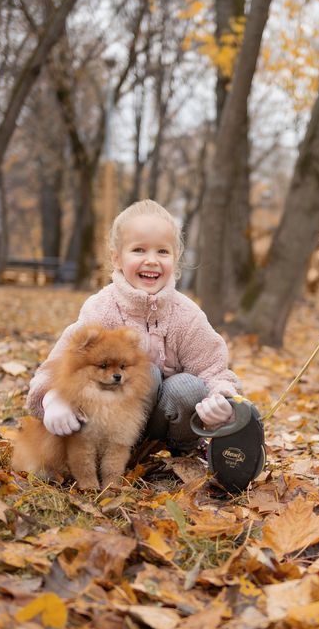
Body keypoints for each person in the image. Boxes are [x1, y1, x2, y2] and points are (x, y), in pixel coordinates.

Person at [26, 200, 262, 490]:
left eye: (162, 251)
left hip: (167, 422)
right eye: (139, 250)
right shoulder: (101, 309)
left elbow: (213, 369)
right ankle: (112, 458)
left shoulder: (186, 316)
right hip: (110, 423)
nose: (151, 260)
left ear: (175, 259)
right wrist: (53, 399)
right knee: (144, 372)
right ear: (116, 258)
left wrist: (222, 401)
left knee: (188, 387)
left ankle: (183, 455)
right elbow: (61, 364)